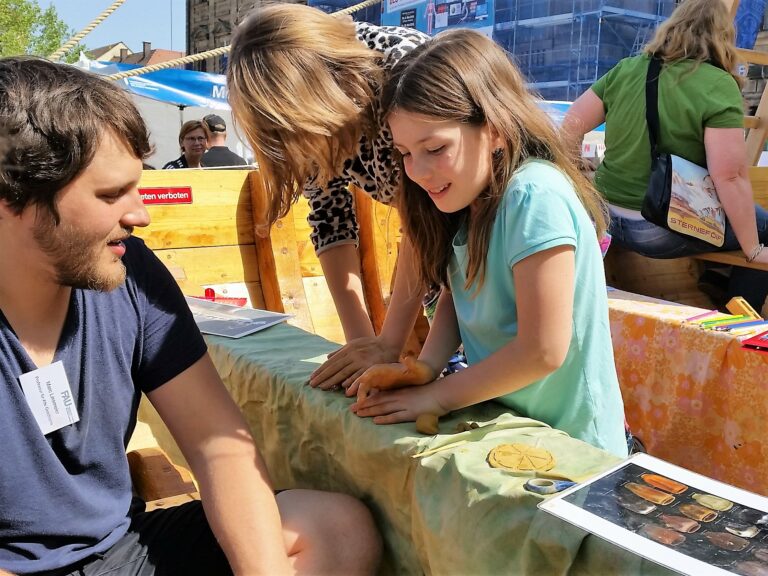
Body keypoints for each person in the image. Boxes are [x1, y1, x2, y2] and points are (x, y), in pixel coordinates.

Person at [0, 57, 381, 576]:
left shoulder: (129, 272)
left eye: (136, 187)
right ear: (11, 200)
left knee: (334, 527)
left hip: (119, 549)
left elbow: (219, 446)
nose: (140, 216)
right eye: (110, 194)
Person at [346, 30, 628, 458]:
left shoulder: (534, 195)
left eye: (435, 148)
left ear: (494, 130)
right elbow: (459, 294)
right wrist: (426, 367)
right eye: (405, 153)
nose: (418, 172)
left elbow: (543, 350)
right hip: (513, 430)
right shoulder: (468, 200)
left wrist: (438, 396)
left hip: (575, 450)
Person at [227, 4, 430, 390]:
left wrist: (387, 344)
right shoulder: (306, 119)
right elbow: (330, 219)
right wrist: (360, 346)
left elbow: (425, 215)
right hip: (444, 266)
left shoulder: (406, 70)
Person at [562, 0, 768, 310]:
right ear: (723, 38)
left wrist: (577, 163)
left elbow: (570, 125)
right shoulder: (718, 84)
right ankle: (734, 317)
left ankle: (717, 277)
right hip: (658, 229)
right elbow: (730, 176)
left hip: (606, 218)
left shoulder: (627, 68)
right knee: (763, 227)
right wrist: (752, 250)